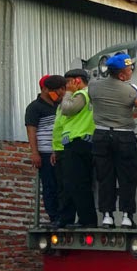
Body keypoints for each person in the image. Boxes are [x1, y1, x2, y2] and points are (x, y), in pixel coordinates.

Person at [89, 53, 137, 228]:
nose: (131, 72)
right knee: (127, 177)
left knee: (105, 177)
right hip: (124, 137)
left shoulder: (93, 86)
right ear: (121, 75)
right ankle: (127, 217)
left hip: (101, 136)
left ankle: (107, 216)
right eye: (129, 70)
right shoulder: (131, 90)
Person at [52, 68, 97, 228]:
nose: (66, 87)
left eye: (68, 83)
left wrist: (69, 93)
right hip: (76, 143)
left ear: (77, 81)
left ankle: (87, 220)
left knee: (78, 183)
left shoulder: (81, 95)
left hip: (78, 142)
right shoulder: (85, 94)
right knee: (76, 183)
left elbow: (68, 109)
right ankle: (84, 219)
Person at [24, 74, 66, 225]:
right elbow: (31, 131)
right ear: (45, 89)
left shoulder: (60, 106)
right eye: (56, 90)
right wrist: (35, 153)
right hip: (45, 151)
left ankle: (64, 216)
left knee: (62, 186)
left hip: (60, 150)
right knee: (50, 186)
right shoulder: (34, 108)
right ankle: (54, 216)